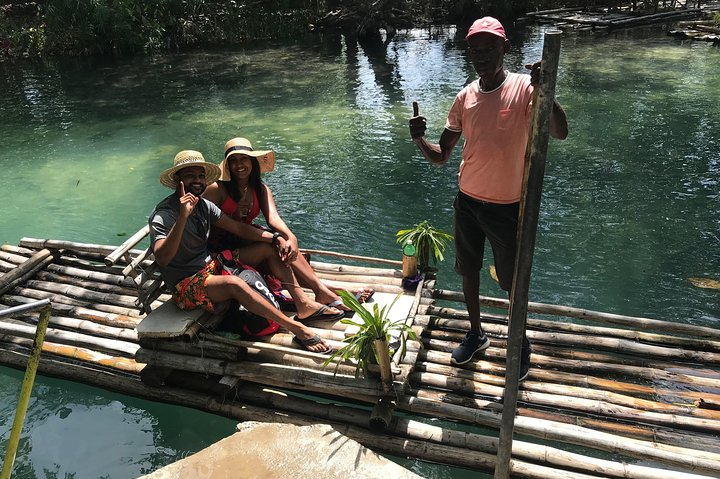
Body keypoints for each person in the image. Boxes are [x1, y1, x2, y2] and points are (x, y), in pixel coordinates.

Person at [408, 17, 568, 379]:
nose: (480, 55)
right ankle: (476, 334)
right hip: (467, 203)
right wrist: (420, 139)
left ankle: (519, 341)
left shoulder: (526, 88)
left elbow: (560, 132)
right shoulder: (466, 97)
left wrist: (548, 91)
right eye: (474, 49)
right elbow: (441, 156)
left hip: (508, 207)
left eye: (488, 47)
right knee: (469, 272)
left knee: (513, 280)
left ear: (504, 48)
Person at [148, 149, 337, 353]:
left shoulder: (203, 205)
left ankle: (303, 305)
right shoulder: (165, 214)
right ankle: (298, 328)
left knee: (268, 249)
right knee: (234, 283)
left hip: (211, 265)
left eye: (200, 175)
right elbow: (163, 258)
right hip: (186, 285)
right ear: (178, 180)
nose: (197, 180)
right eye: (190, 175)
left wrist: (276, 237)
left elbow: (238, 227)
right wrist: (183, 218)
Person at [203, 137, 373, 318]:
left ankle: (322, 290)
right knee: (273, 245)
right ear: (227, 165)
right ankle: (325, 291)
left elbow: (274, 218)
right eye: (233, 161)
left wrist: (291, 237)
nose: (239, 165)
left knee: (285, 245)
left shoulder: (260, 189)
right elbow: (204, 223)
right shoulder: (217, 188)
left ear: (252, 161)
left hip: (246, 241)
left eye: (244, 159)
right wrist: (235, 216)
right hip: (219, 253)